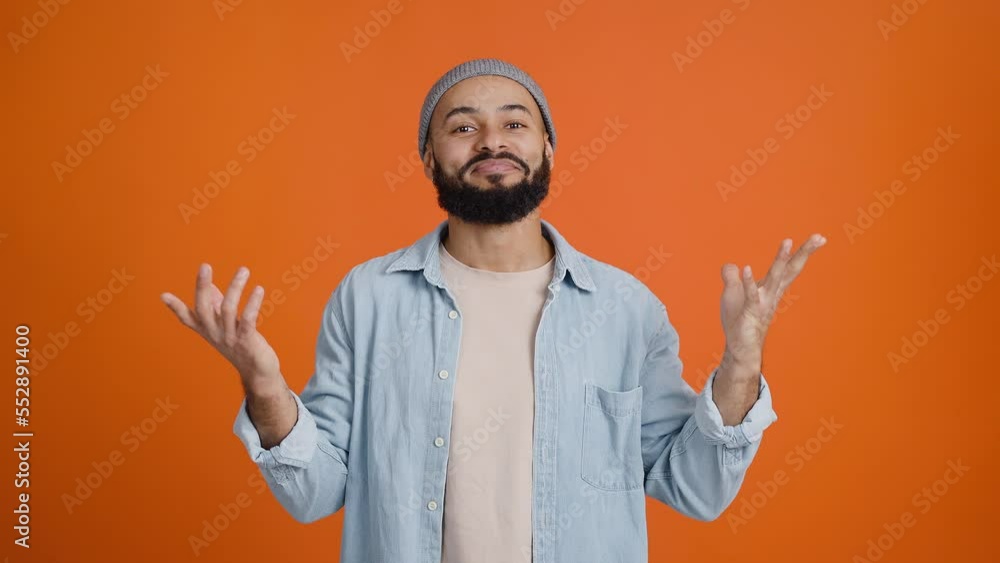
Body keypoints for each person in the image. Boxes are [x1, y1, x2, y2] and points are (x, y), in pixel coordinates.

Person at [160, 57, 825, 563]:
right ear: (428, 155)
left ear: (548, 150)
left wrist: (742, 363)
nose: (491, 140)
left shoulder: (626, 310)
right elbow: (313, 494)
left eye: (514, 122)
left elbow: (696, 488)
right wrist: (266, 385)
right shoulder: (368, 298)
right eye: (462, 126)